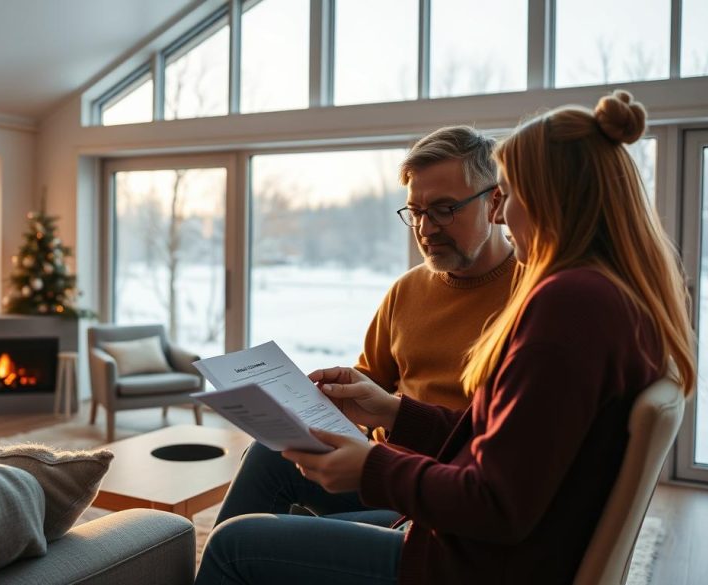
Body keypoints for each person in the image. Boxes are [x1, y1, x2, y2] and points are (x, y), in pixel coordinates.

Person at [195, 90, 696, 585]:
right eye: (417, 211)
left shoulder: (567, 304)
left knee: (235, 545)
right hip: (479, 541)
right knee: (266, 482)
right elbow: (500, 451)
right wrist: (391, 411)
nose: (503, 214)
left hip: (475, 560)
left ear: (551, 200)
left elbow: (497, 503)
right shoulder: (609, 298)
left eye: (512, 195)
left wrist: (373, 466)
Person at [213, 126, 516, 526]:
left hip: (445, 495)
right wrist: (323, 399)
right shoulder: (407, 290)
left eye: (444, 209)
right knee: (268, 455)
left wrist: (389, 417)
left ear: (495, 203)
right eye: (417, 212)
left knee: (244, 546)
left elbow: (508, 447)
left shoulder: (532, 298)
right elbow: (372, 383)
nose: (426, 230)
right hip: (375, 469)